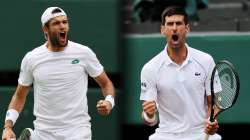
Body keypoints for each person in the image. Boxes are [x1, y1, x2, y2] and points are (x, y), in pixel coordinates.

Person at [2, 7, 115, 140]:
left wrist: (109, 102)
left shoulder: (84, 53)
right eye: (56, 23)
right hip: (44, 133)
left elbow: (106, 83)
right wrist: (8, 127)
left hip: (78, 131)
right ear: (45, 29)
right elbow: (19, 96)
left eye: (65, 22)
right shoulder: (31, 58)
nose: (63, 26)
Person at [140, 6, 221, 140]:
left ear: (187, 28)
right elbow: (150, 121)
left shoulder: (206, 61)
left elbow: (214, 103)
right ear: (163, 30)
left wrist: (211, 122)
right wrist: (148, 114)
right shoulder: (150, 68)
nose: (174, 28)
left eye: (178, 23)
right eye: (170, 24)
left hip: (200, 134)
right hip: (166, 135)